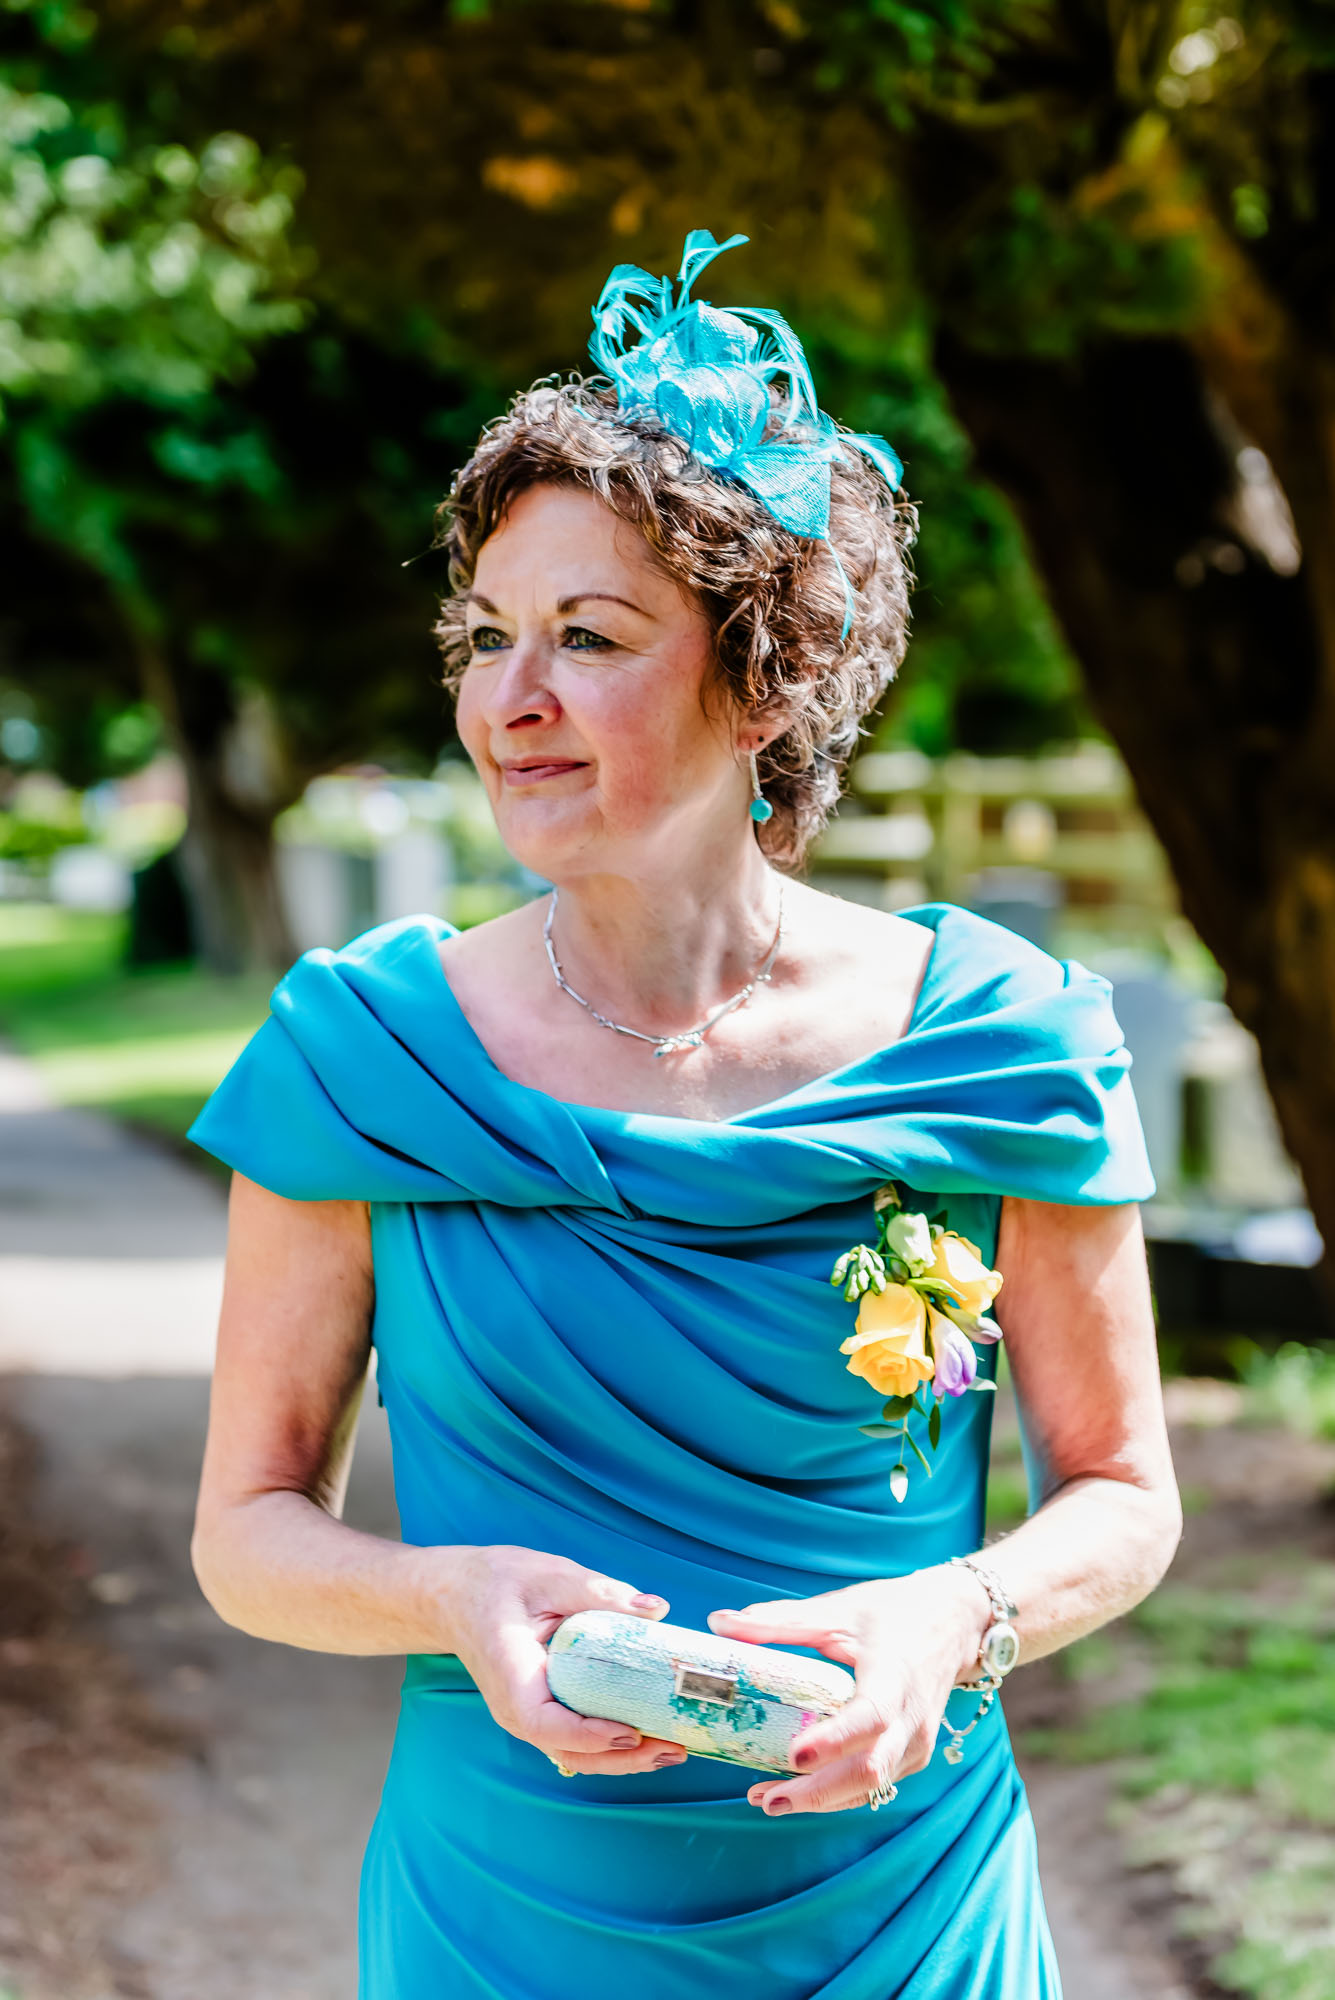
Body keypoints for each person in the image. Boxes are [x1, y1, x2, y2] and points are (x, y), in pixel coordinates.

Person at [187, 230, 1181, 1999]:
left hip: (904, 1909)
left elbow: (1119, 1489)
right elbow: (248, 1530)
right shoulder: (363, 1054)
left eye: (589, 635)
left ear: (766, 672)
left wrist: (958, 1612)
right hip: (510, 1912)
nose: (514, 699)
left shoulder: (1003, 1041)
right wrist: (442, 1597)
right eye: (487, 637)